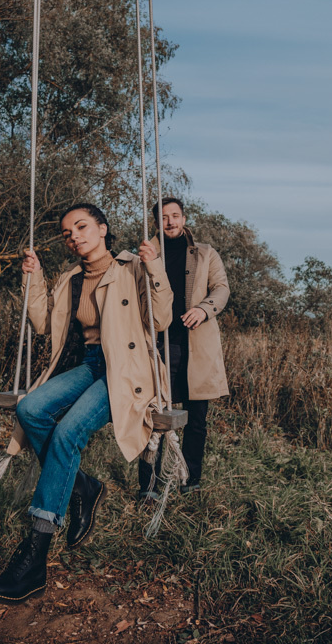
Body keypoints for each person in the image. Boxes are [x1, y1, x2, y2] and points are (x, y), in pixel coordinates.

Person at [0, 203, 172, 603]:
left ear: (103, 228)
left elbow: (162, 319)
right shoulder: (70, 278)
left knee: (68, 433)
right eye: (68, 233)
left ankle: (34, 555)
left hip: (125, 371)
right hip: (90, 365)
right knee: (30, 410)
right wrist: (33, 279)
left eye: (82, 226)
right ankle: (83, 485)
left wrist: (154, 267)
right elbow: (40, 323)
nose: (75, 236)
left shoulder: (131, 266)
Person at [138, 197, 229, 499]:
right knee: (154, 418)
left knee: (196, 419)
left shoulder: (205, 253)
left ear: (184, 217)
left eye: (175, 215)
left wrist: (204, 309)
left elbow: (221, 288)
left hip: (196, 344)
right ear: (156, 222)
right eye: (164, 217)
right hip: (158, 344)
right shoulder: (145, 256)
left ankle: (190, 481)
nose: (171, 222)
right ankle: (148, 485)